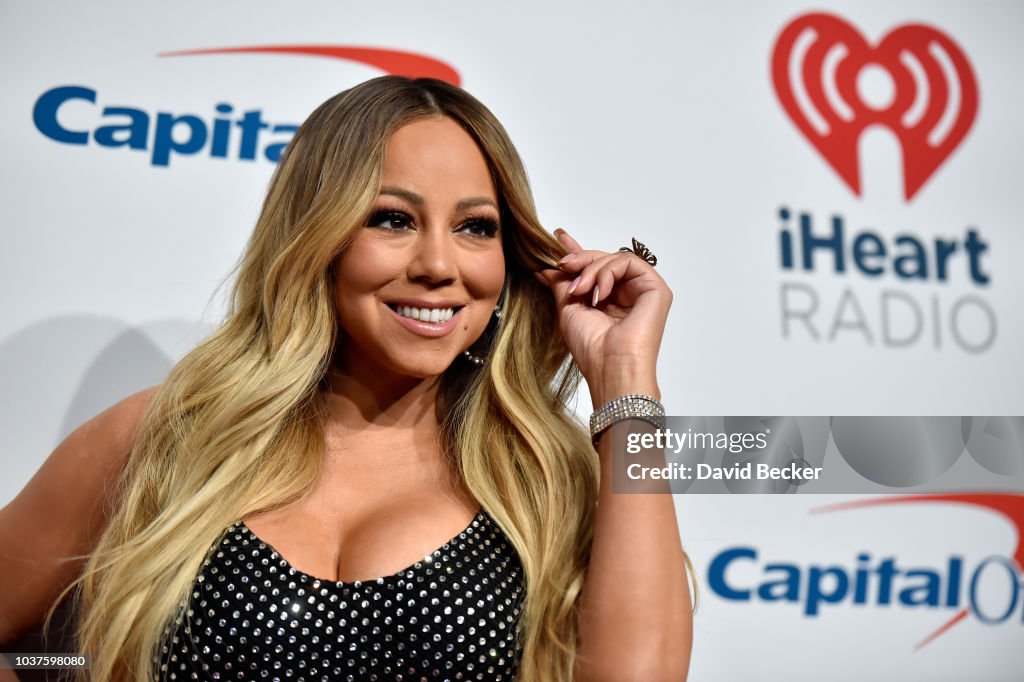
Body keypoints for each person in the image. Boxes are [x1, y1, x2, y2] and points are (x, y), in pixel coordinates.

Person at [0, 76, 693, 681]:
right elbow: (30, 655)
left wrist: (625, 379)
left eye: (476, 228)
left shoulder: (548, 478)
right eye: (392, 219)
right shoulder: (166, 438)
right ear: (317, 235)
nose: (437, 264)